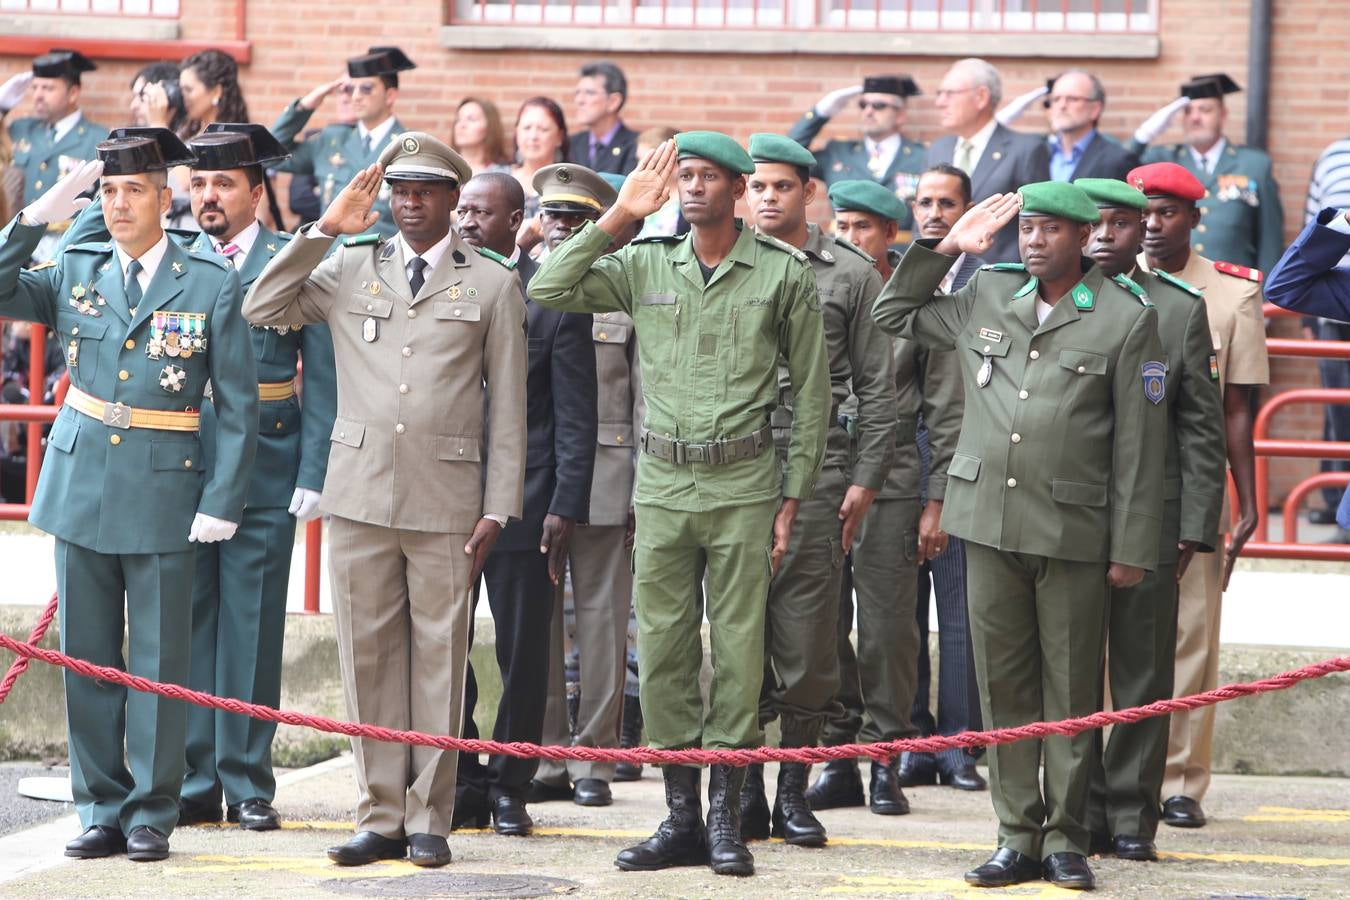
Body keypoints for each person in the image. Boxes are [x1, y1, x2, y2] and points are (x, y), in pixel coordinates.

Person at [529, 132, 830, 877]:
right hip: (663, 485)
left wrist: (793, 495)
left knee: (738, 651)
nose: (693, 187)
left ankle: (727, 818)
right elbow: (549, 287)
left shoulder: (782, 272)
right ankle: (681, 817)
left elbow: (813, 394)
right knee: (663, 649)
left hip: (744, 485)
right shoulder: (643, 261)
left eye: (709, 178)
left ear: (738, 189)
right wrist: (621, 215)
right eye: (684, 176)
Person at [244, 133, 528, 868]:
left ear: (453, 199)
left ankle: (429, 816)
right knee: (366, 657)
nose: (409, 203)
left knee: (440, 660)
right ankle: (379, 814)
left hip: (448, 497)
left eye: (424, 192)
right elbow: (262, 304)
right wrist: (324, 228)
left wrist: (498, 506)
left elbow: (508, 407)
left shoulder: (492, 283)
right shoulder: (348, 264)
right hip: (360, 491)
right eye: (400, 191)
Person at [873, 181, 1165, 891]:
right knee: (1002, 687)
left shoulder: (1125, 317)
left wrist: (1131, 547)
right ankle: (1015, 834)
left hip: (1072, 528)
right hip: (987, 522)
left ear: (1083, 237)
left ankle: (1065, 839)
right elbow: (894, 313)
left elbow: (1139, 446)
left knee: (1069, 690)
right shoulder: (989, 291)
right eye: (1027, 228)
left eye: (1050, 230)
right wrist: (945, 248)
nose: (1033, 240)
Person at [0, 128, 259, 862]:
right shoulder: (74, 265)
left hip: (165, 488)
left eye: (133, 191)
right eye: (108, 192)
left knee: (157, 661)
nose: (118, 204)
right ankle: (100, 806)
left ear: (163, 198)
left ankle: (151, 810)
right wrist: (36, 216)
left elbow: (237, 402)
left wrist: (223, 498)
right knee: (85, 657)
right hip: (81, 484)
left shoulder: (207, 278)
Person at [738, 134, 896, 848]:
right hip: (734, 469)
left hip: (819, 470)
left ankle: (792, 793)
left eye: (782, 186)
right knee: (739, 638)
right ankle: (740, 790)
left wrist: (865, 478)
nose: (768, 197)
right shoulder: (725, 258)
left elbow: (880, 388)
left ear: (809, 193)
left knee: (807, 642)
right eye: (758, 186)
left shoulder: (851, 273)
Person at [1075, 176, 1228, 861]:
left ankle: (1133, 814)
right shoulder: (1049, 301)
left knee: (1142, 672)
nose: (1104, 236)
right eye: (1094, 223)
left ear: (1142, 232)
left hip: (1154, 516)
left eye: (1120, 223)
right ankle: (1076, 811)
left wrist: (1195, 522)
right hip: (1065, 513)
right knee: (1071, 674)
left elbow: (1200, 427)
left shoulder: (1176, 307)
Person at [454, 163, 598, 837]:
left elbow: (575, 411)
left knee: (522, 653)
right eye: (462, 209)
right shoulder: (442, 281)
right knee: (445, 646)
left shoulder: (553, 293)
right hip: (449, 495)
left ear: (517, 222)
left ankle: (511, 783)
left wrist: (565, 505)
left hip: (527, 501)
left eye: (481, 212)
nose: (466, 220)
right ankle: (462, 776)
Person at [1130, 161, 1269, 831]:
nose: (1153, 226)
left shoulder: (1232, 294)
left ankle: (1181, 781)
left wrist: (1249, 498)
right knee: (1109, 638)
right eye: (1144, 214)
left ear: (1193, 218)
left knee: (1191, 637)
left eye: (1167, 213)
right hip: (1115, 484)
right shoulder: (1106, 281)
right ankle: (1115, 768)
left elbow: (1236, 408)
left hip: (1194, 483)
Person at [819, 180, 962, 812]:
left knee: (888, 628)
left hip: (897, 478)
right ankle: (838, 752)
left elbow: (947, 410)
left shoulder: (922, 302)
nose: (851, 238)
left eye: (863, 228)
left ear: (889, 234)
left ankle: (884, 756)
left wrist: (938, 499)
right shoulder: (819, 286)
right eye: (842, 226)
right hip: (826, 469)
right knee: (821, 623)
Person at [525, 165, 642, 809]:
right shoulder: (523, 284)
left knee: (601, 618)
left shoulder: (624, 287)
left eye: (578, 219)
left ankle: (593, 756)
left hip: (608, 474)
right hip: (539, 473)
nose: (562, 229)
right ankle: (545, 754)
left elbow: (645, 395)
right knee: (537, 619)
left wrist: (641, 488)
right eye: (554, 216)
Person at [884, 165, 985, 794]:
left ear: (969, 210)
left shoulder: (991, 283)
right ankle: (912, 744)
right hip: (897, 460)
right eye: (924, 202)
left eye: (947, 203)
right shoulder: (899, 276)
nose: (934, 213)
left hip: (964, 462)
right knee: (901, 615)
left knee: (959, 611)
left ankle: (957, 746)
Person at [1134, 74, 1284, 273]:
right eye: (1188, 111)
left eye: (1205, 110)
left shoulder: (1254, 164)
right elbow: (1115, 172)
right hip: (1171, 282)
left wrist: (1267, 289)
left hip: (1233, 285)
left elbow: (1270, 239)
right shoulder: (1162, 159)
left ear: (1223, 114)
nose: (1195, 117)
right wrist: (1142, 137)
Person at [270, 47, 416, 239]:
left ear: (390, 96)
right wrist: (305, 106)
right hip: (332, 254)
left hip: (383, 254)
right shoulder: (332, 140)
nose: (355, 96)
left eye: (366, 88)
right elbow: (271, 156)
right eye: (350, 89)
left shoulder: (408, 147)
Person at [926, 58, 1049, 264]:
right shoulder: (938, 149)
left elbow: (1037, 221)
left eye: (950, 93)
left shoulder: (1026, 150)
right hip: (939, 271)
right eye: (939, 94)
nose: (940, 102)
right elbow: (922, 220)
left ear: (981, 97)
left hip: (998, 273)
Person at [787, 75, 925, 234]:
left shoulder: (922, 156)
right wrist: (820, 112)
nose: (868, 111)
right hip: (843, 246)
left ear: (900, 115)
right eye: (863, 105)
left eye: (879, 106)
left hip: (900, 248)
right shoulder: (838, 152)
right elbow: (789, 155)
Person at [0, 50, 104, 217]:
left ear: (73, 93)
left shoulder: (98, 139)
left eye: (47, 88)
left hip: (67, 232)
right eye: (35, 87)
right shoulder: (20, 129)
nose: (38, 95)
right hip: (16, 229)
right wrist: (1, 108)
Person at [568, 62, 639, 175]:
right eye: (577, 93)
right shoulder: (571, 143)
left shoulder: (636, 146)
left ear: (613, 101)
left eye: (589, 93)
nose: (579, 100)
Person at [513, 97, 569, 227]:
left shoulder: (572, 185)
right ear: (517, 133)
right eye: (527, 128)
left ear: (559, 137)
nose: (533, 136)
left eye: (543, 129)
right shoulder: (496, 178)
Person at [452, 97, 511, 176]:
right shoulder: (442, 170)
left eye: (471, 119)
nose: (461, 125)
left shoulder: (503, 173)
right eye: (458, 119)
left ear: (489, 126)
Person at [128, 63, 186, 135]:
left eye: (142, 96)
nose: (133, 106)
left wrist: (158, 125)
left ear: (170, 96)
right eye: (134, 97)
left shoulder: (188, 137)